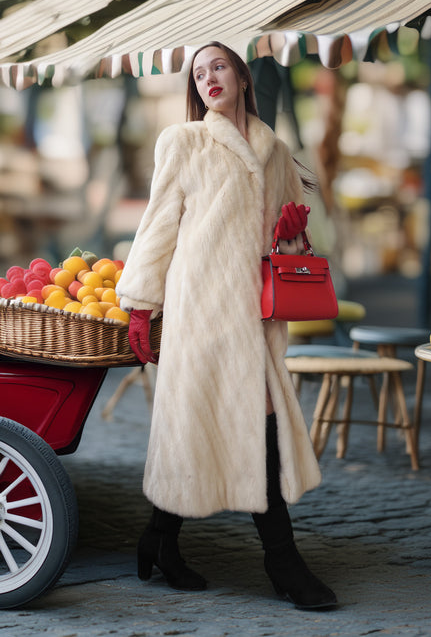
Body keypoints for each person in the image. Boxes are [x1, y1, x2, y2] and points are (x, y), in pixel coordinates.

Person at [115, 41, 337, 611]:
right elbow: (158, 225)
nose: (208, 78)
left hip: (255, 316)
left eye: (218, 66)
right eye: (198, 72)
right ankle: (264, 559)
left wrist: (291, 231)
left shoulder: (275, 149)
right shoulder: (182, 141)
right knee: (195, 421)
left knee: (252, 419)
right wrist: (141, 302)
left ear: (241, 74)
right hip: (200, 307)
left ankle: (170, 541)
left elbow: (288, 245)